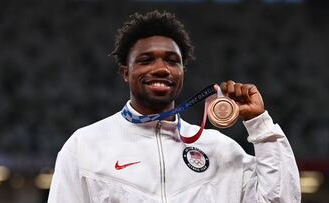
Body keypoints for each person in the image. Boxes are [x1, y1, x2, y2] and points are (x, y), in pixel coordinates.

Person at [48, 11, 301, 203]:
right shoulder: (85, 146)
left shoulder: (221, 151)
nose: (161, 69)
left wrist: (259, 123)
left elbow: (281, 199)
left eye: (172, 61)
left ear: (182, 71)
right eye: (146, 60)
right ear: (126, 72)